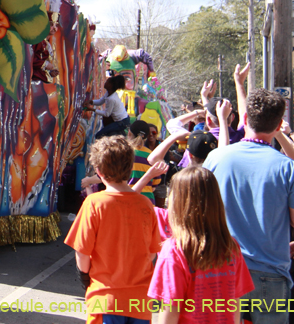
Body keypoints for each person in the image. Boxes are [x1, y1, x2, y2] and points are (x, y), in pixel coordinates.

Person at [203, 88, 294, 324]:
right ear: (279, 124)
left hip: (221, 268)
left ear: (246, 119)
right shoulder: (287, 167)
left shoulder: (216, 159)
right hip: (270, 273)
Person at [65, 136, 162, 324]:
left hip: (105, 298)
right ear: (130, 168)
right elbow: (151, 254)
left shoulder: (94, 203)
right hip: (140, 301)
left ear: (98, 171)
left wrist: (85, 278)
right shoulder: (145, 204)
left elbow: (82, 253)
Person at [148, 166, 254, 324]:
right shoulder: (230, 246)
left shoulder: (174, 250)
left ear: (179, 204)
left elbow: (170, 310)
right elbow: (235, 302)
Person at [127, 120, 163, 204]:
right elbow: (155, 184)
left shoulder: (124, 152)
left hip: (128, 201)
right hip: (148, 202)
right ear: (146, 137)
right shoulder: (152, 156)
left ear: (129, 133)